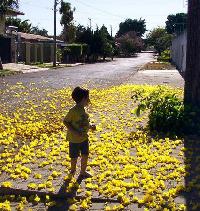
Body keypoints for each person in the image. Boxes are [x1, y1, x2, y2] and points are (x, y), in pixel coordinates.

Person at [63, 87, 96, 179]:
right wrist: (74, 131)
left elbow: (83, 122)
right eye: (87, 98)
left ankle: (83, 171)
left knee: (85, 155)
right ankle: (73, 170)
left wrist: (90, 126)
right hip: (74, 139)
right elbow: (65, 121)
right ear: (83, 99)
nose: (89, 100)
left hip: (84, 138)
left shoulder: (84, 110)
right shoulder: (73, 111)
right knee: (74, 157)